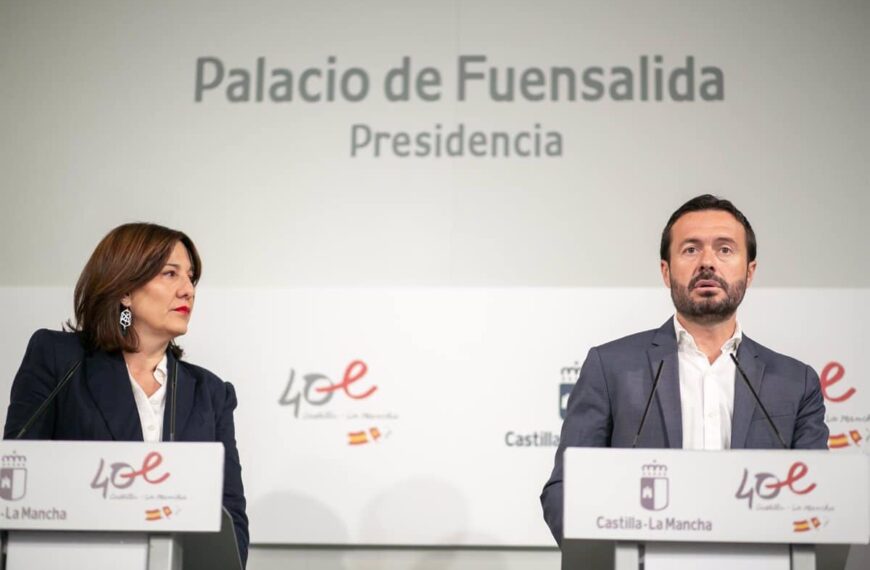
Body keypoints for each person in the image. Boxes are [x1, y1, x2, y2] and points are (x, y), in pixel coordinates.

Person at [540, 195, 828, 544]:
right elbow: (566, 489)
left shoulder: (796, 383)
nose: (708, 262)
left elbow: (821, 500)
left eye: (725, 249)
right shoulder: (611, 367)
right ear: (666, 271)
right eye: (690, 250)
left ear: (750, 272)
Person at [4, 223, 249, 566]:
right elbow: (16, 479)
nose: (187, 290)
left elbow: (231, 513)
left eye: (191, 277)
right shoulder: (60, 360)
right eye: (170, 274)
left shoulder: (210, 393)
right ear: (125, 290)